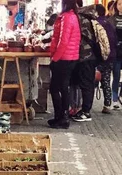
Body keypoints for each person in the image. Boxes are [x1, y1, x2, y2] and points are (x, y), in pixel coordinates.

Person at [48, 0, 81, 129]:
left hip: (64, 58)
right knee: (62, 87)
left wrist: (55, 59)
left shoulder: (67, 18)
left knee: (56, 88)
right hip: (70, 57)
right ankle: (61, 117)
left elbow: (63, 41)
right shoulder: (73, 16)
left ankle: (61, 117)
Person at [71, 4, 100, 122]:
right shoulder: (89, 17)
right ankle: (82, 110)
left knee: (86, 84)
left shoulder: (80, 18)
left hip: (85, 56)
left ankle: (86, 112)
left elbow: (78, 38)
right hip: (90, 56)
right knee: (86, 83)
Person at [95, 4, 116, 115]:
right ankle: (107, 104)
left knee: (89, 82)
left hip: (97, 57)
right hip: (109, 57)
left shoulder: (96, 24)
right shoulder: (109, 24)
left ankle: (85, 106)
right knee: (106, 81)